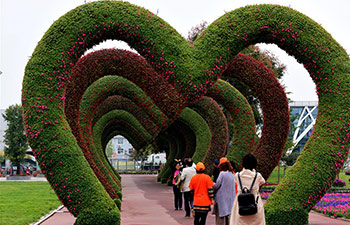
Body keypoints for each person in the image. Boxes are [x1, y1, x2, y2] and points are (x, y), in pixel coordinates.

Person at [230, 154, 266, 225]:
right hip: (254, 205)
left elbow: (236, 181)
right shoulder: (257, 176)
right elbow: (263, 182)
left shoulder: (237, 175)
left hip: (240, 206)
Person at [213, 157, 236, 225]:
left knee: (220, 216)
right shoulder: (232, 174)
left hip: (221, 198)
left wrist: (212, 184)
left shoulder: (222, 174)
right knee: (229, 215)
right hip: (231, 197)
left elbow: (217, 185)